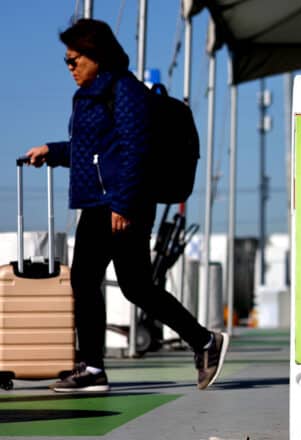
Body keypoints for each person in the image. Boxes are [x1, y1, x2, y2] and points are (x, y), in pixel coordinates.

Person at [24, 18, 228, 392]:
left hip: (121, 204)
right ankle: (98, 367)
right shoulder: (88, 96)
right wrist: (52, 152)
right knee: (100, 282)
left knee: (127, 285)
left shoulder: (125, 90)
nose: (70, 68)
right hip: (98, 203)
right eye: (66, 61)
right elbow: (94, 153)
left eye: (74, 60)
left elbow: (138, 152)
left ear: (96, 56)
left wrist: (126, 203)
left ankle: (201, 342)